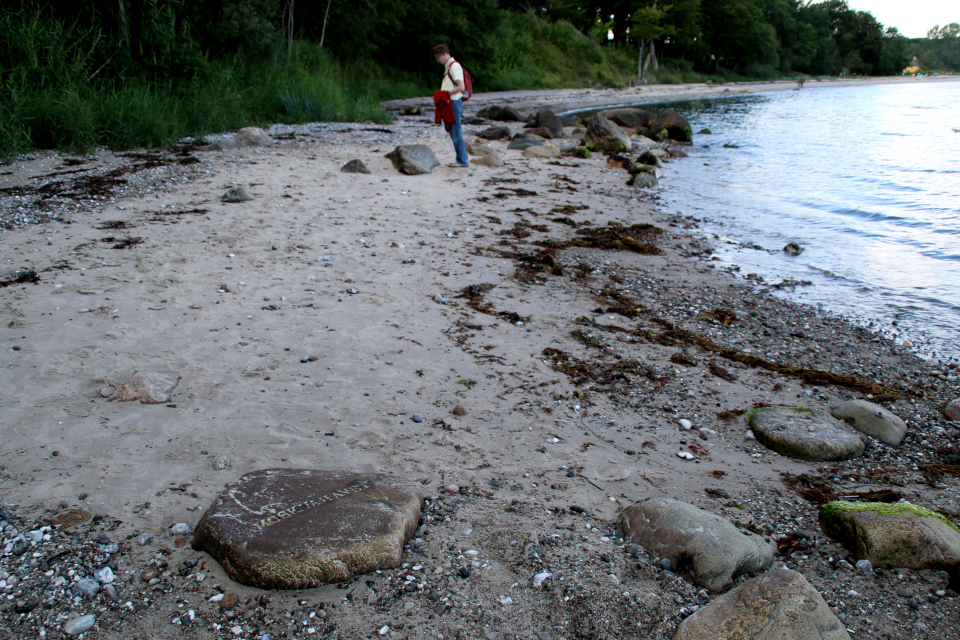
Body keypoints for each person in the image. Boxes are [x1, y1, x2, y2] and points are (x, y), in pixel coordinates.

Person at [432, 44, 468, 168]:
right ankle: (461, 160)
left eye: (437, 57)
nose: (437, 60)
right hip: (451, 102)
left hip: (454, 102)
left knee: (456, 132)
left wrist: (444, 94)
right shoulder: (449, 67)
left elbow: (461, 87)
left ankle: (462, 161)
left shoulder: (454, 66)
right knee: (454, 132)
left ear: (443, 54)